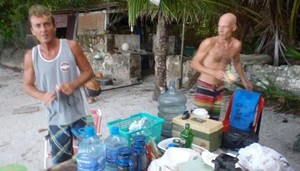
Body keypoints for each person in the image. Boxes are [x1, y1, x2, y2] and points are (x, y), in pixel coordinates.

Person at [23, 4, 94, 165]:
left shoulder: (71, 46)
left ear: (54, 26)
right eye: (38, 26)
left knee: (93, 157)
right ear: (32, 30)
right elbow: (27, 85)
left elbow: (88, 72)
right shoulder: (31, 56)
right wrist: (42, 95)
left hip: (80, 114)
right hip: (55, 119)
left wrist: (73, 84)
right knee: (62, 165)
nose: (43, 29)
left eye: (47, 24)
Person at [190, 13, 253, 120]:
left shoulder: (236, 45)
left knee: (214, 120)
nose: (220, 30)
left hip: (219, 87)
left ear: (233, 28)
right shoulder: (209, 42)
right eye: (219, 26)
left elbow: (237, 63)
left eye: (224, 27)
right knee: (198, 120)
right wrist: (213, 72)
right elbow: (194, 64)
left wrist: (244, 81)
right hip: (204, 86)